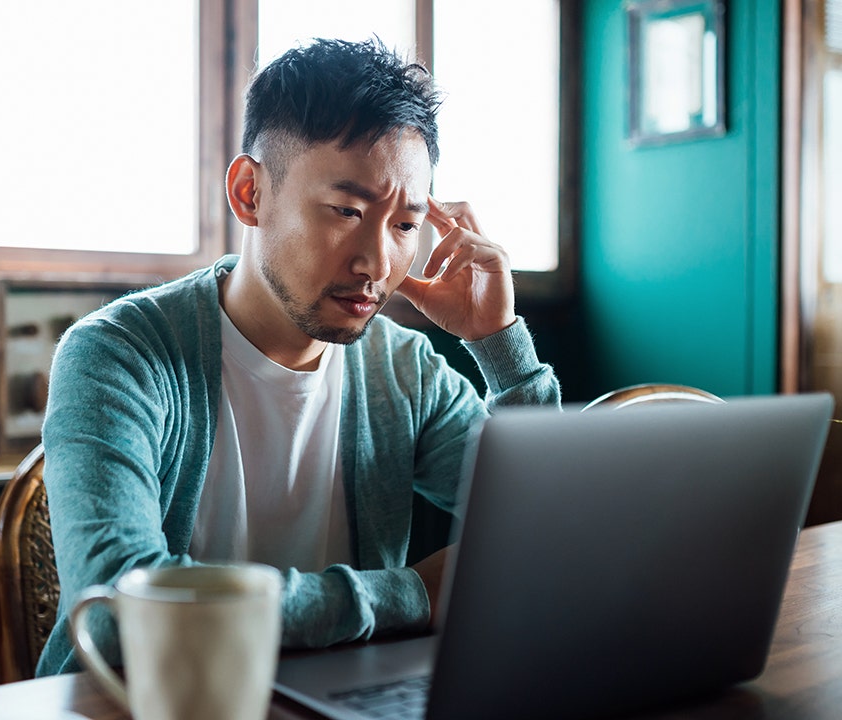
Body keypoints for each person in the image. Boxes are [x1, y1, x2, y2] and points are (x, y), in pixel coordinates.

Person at [35, 37, 560, 675]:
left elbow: (552, 532)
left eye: (403, 225)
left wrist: (497, 342)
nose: (376, 264)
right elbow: (121, 613)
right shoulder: (118, 355)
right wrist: (412, 593)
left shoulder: (405, 370)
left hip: (343, 701)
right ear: (250, 192)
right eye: (346, 210)